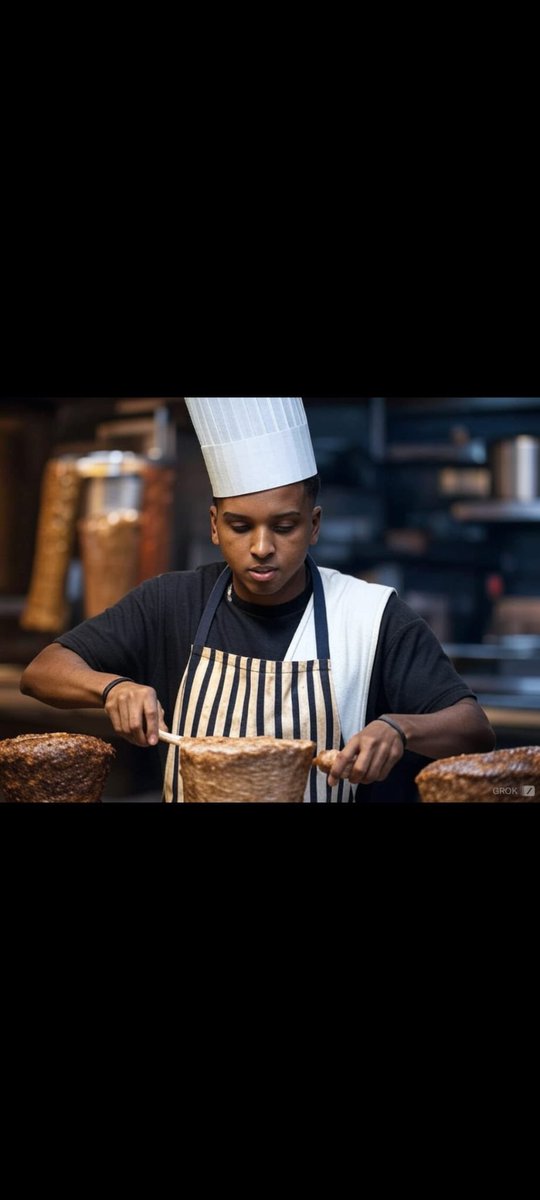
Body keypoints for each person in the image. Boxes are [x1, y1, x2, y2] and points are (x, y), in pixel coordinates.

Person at [20, 397, 495, 802]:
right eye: (240, 526)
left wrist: (398, 729)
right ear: (213, 525)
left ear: (313, 525)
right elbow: (43, 671)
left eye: (284, 526)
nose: (262, 547)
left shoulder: (370, 615)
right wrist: (112, 688)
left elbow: (473, 728)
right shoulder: (171, 601)